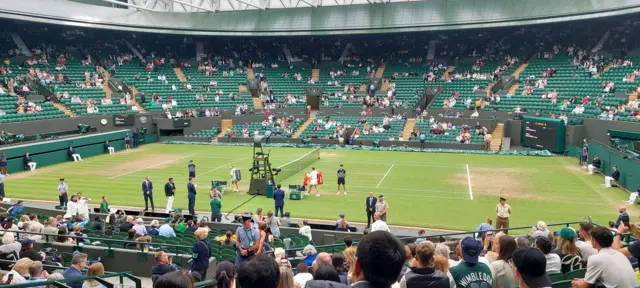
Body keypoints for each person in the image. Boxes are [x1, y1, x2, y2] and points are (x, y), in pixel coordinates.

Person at [571, 226, 637, 288]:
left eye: (592, 238)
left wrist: (578, 283)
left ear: (594, 240)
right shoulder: (619, 254)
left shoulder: (595, 258)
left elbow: (584, 286)